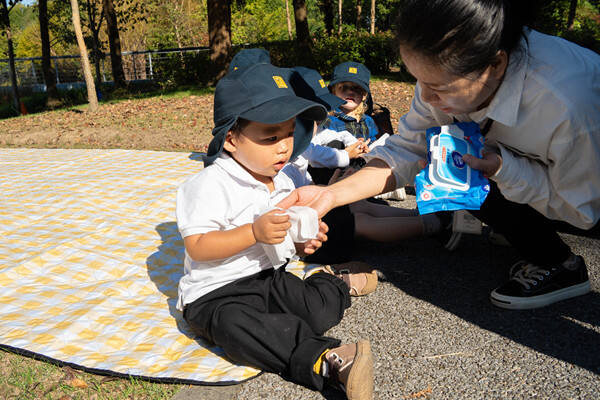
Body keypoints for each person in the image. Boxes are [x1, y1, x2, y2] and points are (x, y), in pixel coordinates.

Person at [278, 0, 600, 310]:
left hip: (586, 192)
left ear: (496, 65)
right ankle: (522, 229)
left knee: (471, 174)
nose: (427, 97)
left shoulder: (568, 105)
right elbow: (407, 148)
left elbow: (581, 209)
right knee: (457, 169)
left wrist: (507, 169)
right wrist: (330, 196)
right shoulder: (442, 76)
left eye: (440, 87)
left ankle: (561, 265)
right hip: (533, 169)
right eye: (418, 79)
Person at [176, 63, 376, 399]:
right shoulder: (208, 184)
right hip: (217, 293)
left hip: (268, 276)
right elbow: (198, 246)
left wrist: (303, 242)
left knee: (317, 311)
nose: (284, 146)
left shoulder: (282, 181)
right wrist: (253, 232)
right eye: (270, 137)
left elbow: (284, 238)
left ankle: (335, 283)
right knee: (240, 329)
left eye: (288, 133)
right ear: (230, 140)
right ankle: (327, 361)